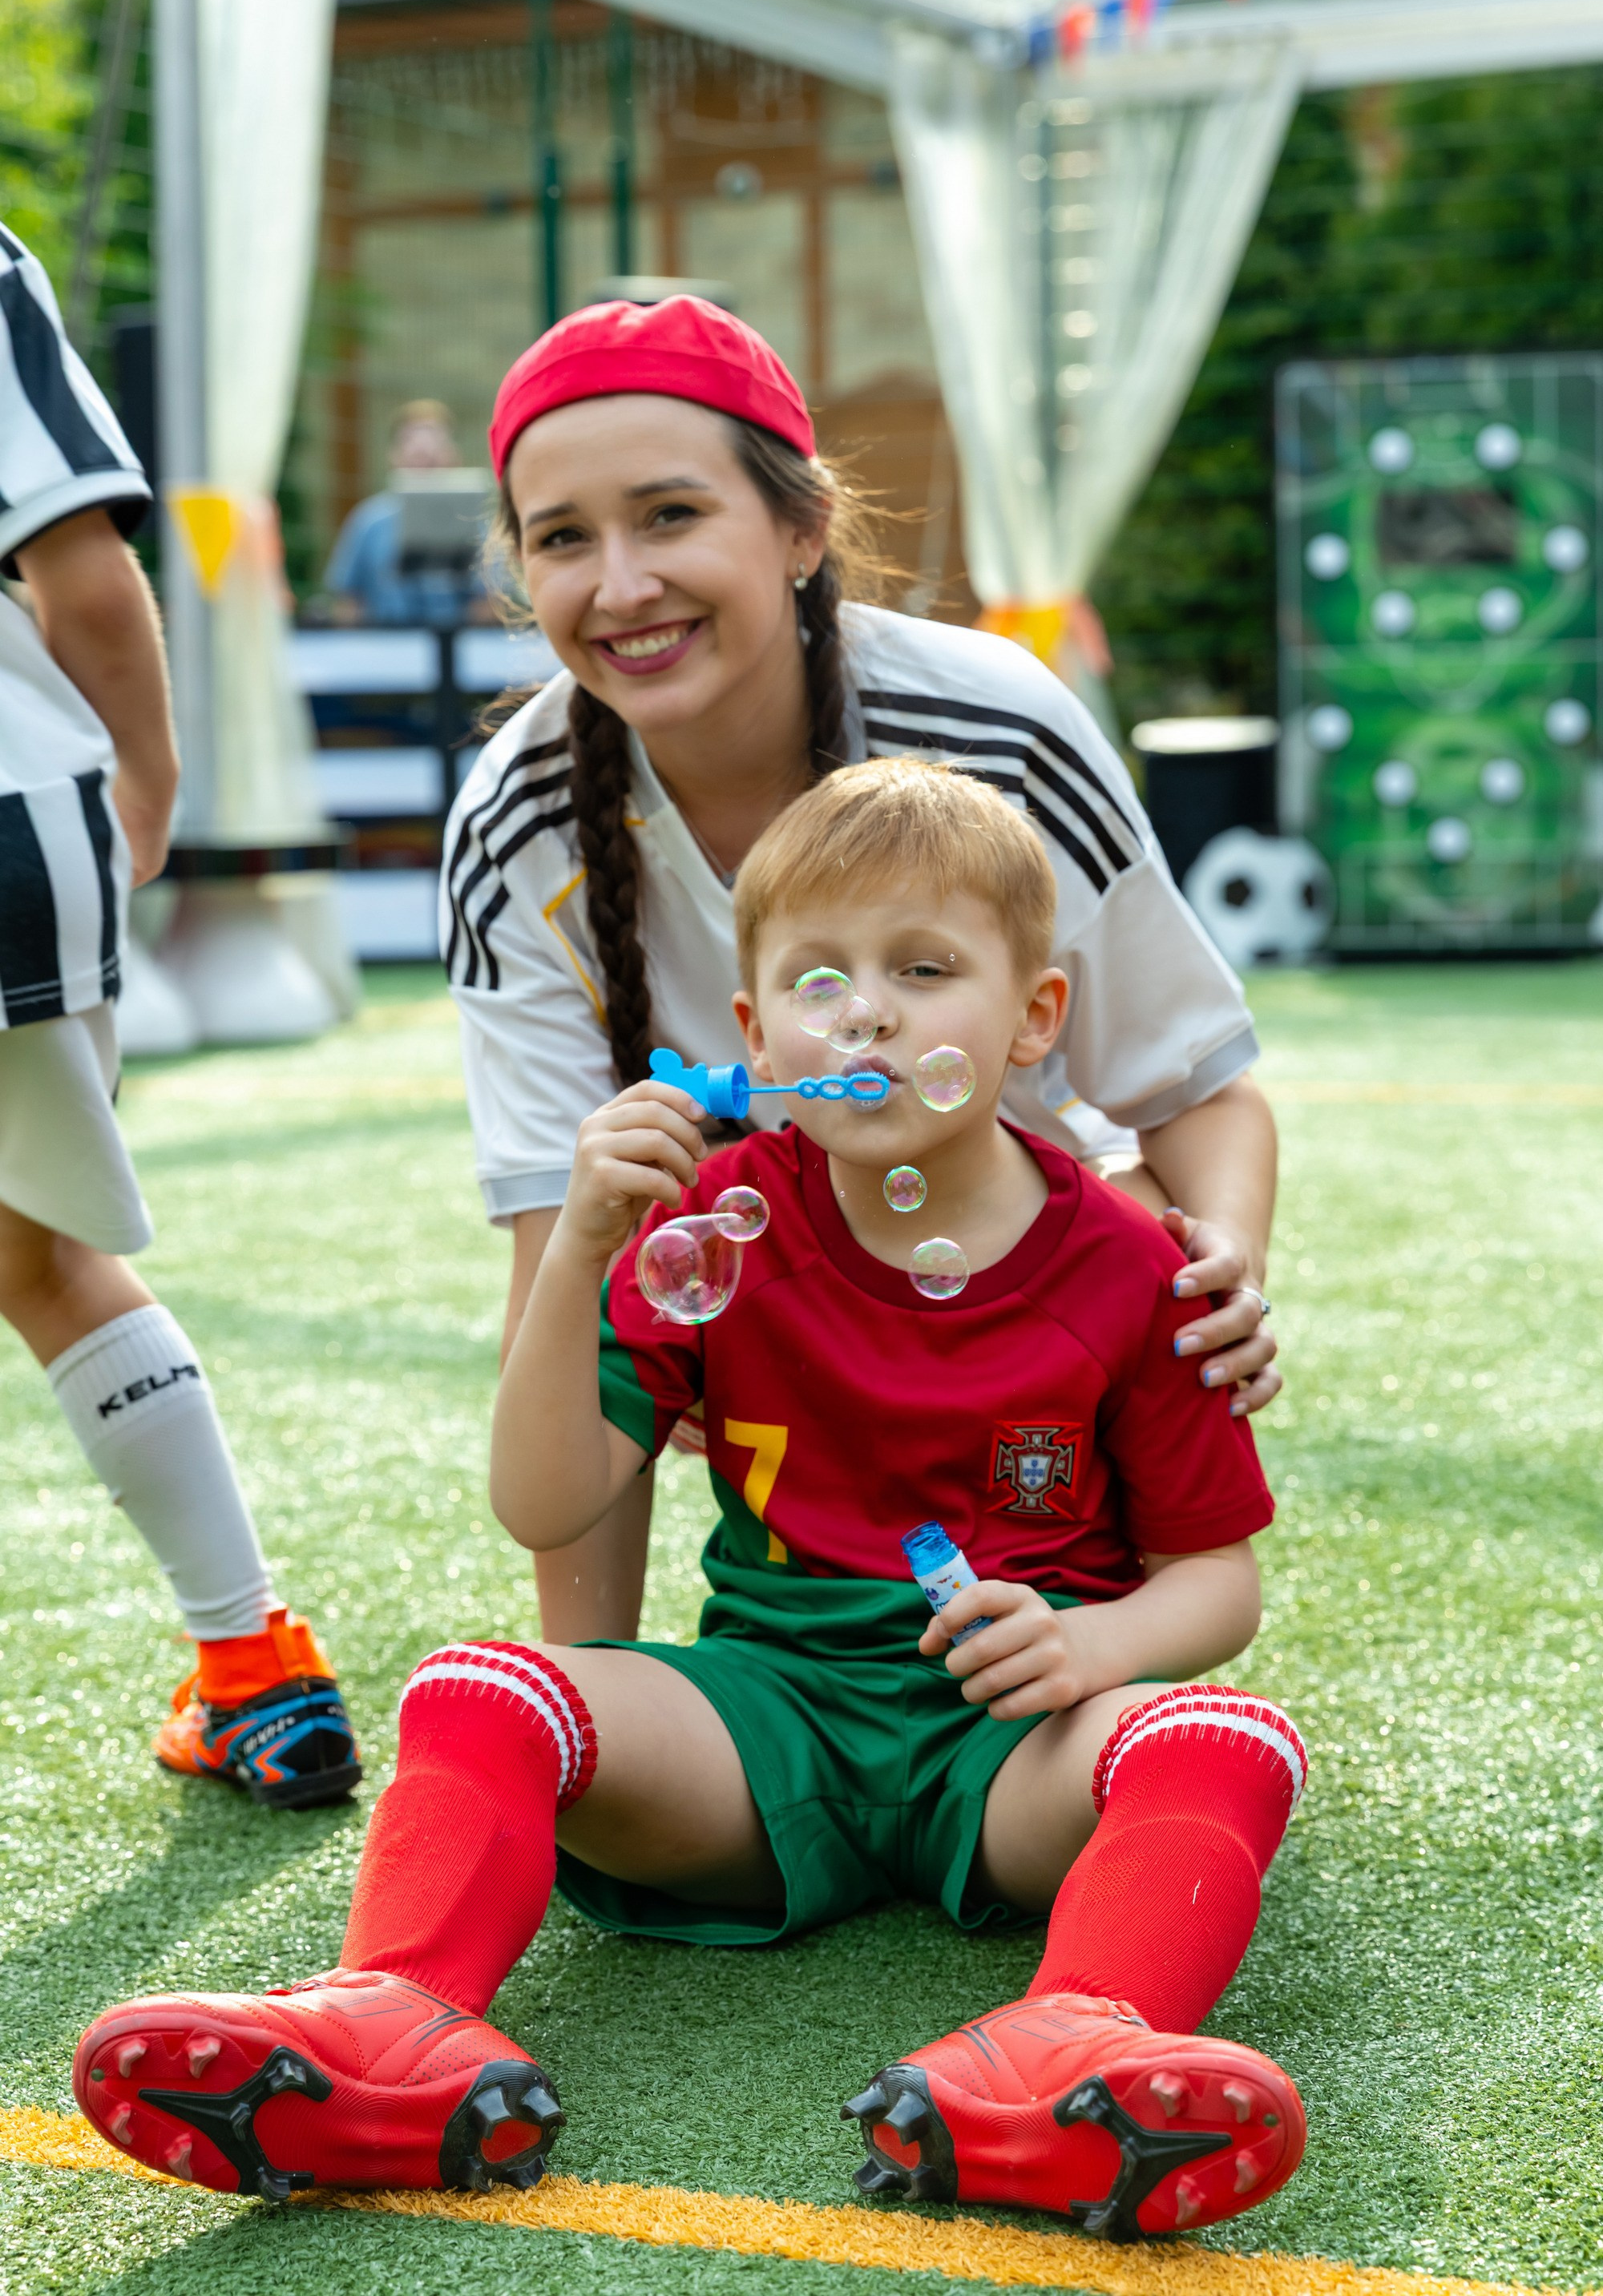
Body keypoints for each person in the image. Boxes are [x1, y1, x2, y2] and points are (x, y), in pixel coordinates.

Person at [74, 760, 1306, 2239]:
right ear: (753, 1033)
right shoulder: (717, 1229)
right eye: (819, 980)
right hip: (762, 1723)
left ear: (1036, 1017)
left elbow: (1214, 1581)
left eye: (926, 972)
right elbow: (542, 1502)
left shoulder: (1128, 1261)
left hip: (1018, 1749)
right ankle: (383, 2020)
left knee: (1227, 1737)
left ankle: (1077, 2049)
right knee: (484, 1687)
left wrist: (1095, 1650)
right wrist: (584, 1242)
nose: (869, 1016)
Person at [438, 293, 1281, 1647]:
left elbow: (1197, 1089)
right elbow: (569, 1255)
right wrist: (593, 1689)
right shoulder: (512, 824)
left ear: (800, 527)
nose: (620, 585)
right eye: (562, 540)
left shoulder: (998, 727)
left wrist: (1222, 1270)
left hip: (1035, 1335)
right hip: (776, 1354)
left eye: (669, 516)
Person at [0, 221, 359, 1807]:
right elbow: (83, 567)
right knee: (46, 1250)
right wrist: (143, 778)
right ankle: (254, 1671)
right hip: (18, 822)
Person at [324, 398, 485, 626]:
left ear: (453, 453)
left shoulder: (474, 520)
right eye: (411, 440)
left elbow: (490, 603)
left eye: (435, 440)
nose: (424, 448)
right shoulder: (369, 520)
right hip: (387, 649)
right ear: (394, 455)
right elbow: (349, 602)